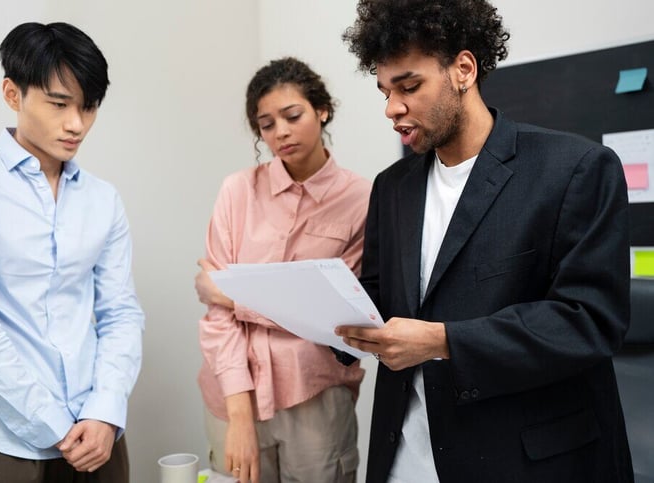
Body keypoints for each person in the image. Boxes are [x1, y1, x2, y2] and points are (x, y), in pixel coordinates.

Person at [335, 1, 634, 482]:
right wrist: (323, 306)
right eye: (385, 91)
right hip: (405, 455)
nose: (392, 108)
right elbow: (381, 291)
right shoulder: (392, 186)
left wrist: (442, 341)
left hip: (522, 461)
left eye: (409, 86)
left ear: (463, 69)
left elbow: (590, 321)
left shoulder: (575, 169)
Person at [0, 22, 144, 483]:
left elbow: (121, 313)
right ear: (13, 94)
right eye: (59, 104)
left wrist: (106, 412)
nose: (77, 124)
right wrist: (53, 423)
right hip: (5, 443)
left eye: (88, 107)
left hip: (99, 437)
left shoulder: (102, 199)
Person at [195, 57, 371, 483]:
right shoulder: (237, 191)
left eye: (292, 116)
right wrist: (239, 414)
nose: (281, 133)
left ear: (322, 110)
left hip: (315, 396)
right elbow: (218, 321)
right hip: (233, 393)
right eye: (266, 124)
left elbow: (328, 317)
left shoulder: (362, 199)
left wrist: (229, 294)